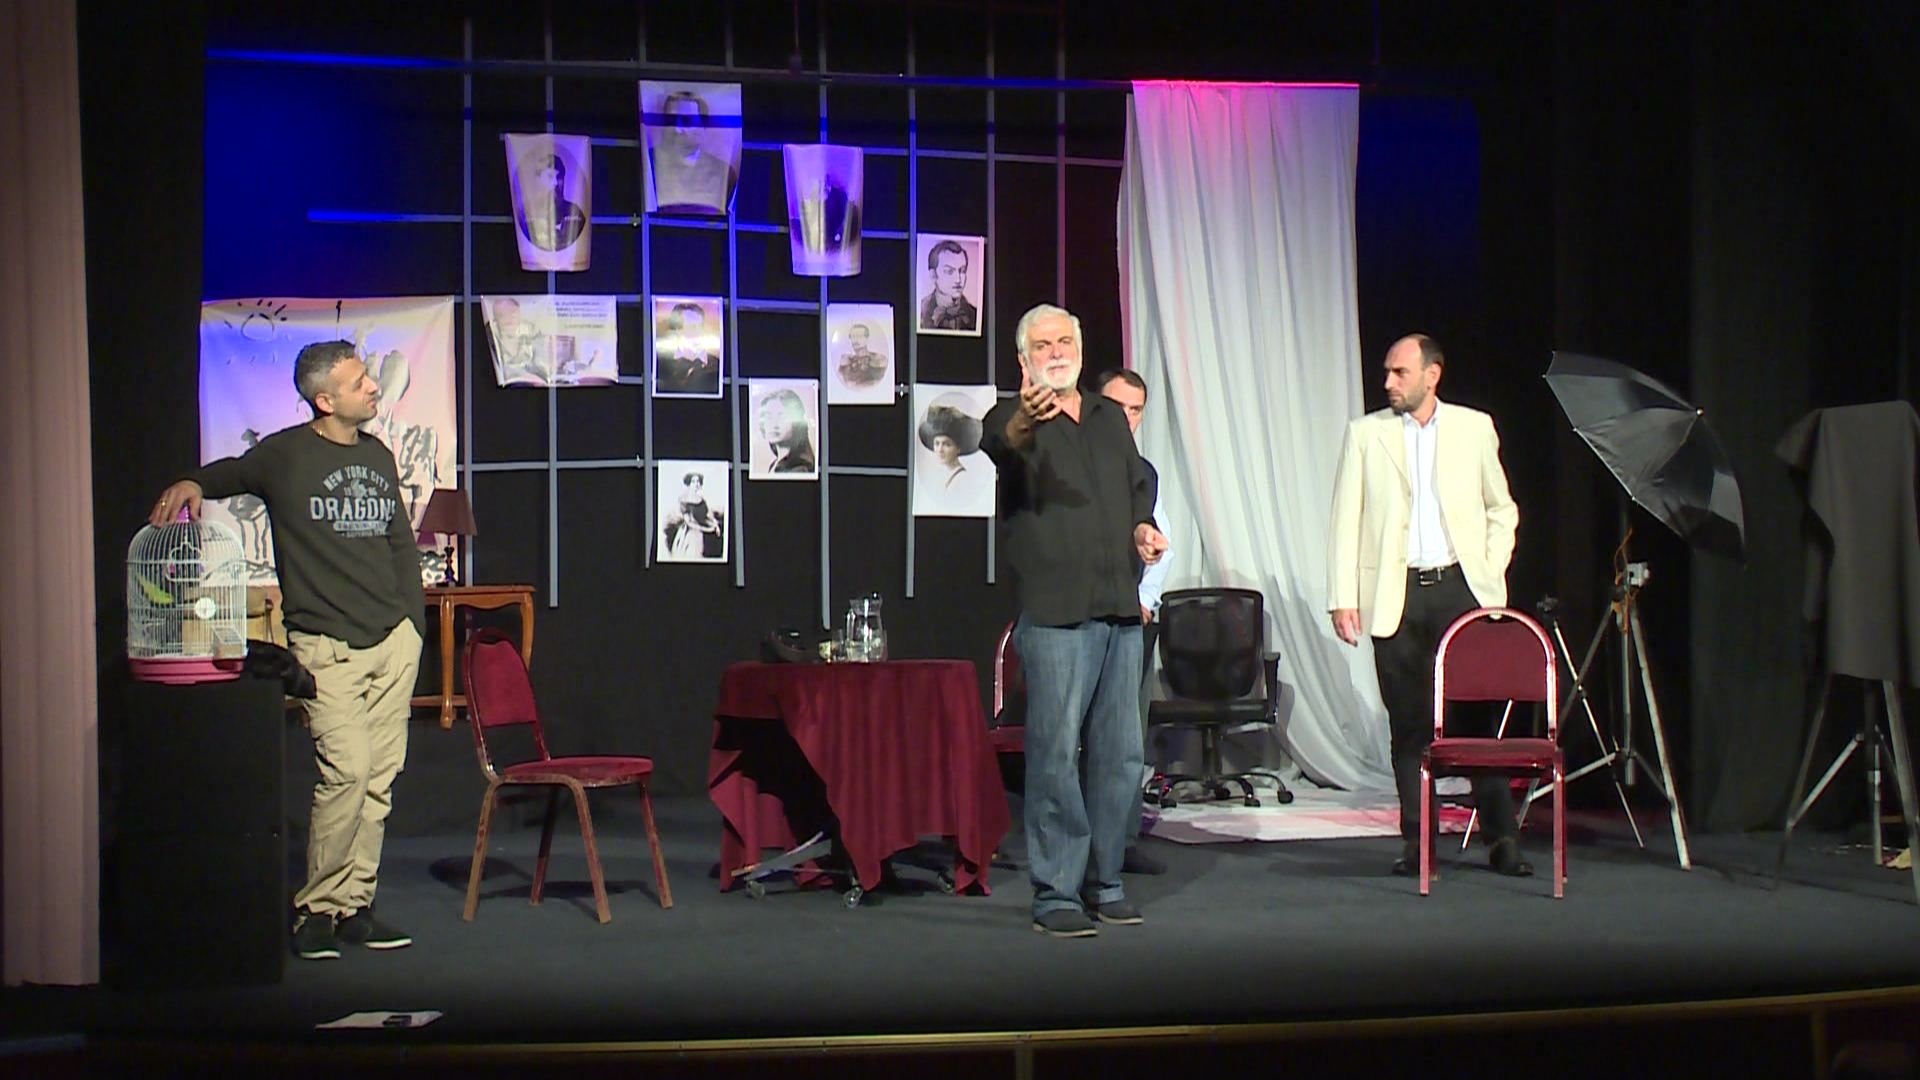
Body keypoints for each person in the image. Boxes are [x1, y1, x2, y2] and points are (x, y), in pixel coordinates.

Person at [149, 339, 425, 961]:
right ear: (325, 400)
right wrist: (191, 481)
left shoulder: (378, 456)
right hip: (327, 644)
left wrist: (413, 623)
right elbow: (230, 473)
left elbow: (399, 543)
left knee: (379, 780)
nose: (372, 387)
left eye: (368, 377)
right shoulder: (285, 455)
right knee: (347, 771)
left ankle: (356, 906)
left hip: (392, 641)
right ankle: (317, 910)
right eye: (358, 381)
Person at [981, 303, 1167, 938]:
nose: (1056, 351)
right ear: (1023, 359)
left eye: (1065, 341)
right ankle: (1056, 891)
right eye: (1043, 345)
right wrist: (1023, 417)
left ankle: (1105, 881)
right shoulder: (1014, 418)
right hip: (1058, 613)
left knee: (1120, 755)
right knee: (1057, 755)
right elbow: (1000, 444)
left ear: (1081, 350)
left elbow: (1137, 486)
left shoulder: (1109, 418)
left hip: (1119, 606)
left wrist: (1142, 529)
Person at [1325, 333, 1529, 879]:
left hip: (1460, 589)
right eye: (1387, 373)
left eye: (1400, 373)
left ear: (1431, 375)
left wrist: (1490, 572)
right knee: (1409, 725)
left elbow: (1501, 508)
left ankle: (1502, 838)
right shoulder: (1366, 434)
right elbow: (1346, 519)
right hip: (1397, 593)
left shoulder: (1473, 427)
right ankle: (1419, 844)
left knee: (1477, 722)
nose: (1389, 382)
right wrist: (1343, 597)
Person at [1097, 368, 1173, 877]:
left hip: (1132, 620)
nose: (1127, 417)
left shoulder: (1144, 472)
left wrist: (1145, 597)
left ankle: (1122, 842)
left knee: (1128, 737)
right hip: (1080, 617)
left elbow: (1162, 543)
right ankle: (1083, 846)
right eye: (1117, 406)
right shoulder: (1077, 463)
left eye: (1136, 409)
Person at [651, 90, 735, 214]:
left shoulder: (724, 172)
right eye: (670, 122)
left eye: (686, 121)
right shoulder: (651, 166)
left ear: (702, 127)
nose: (677, 129)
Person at [516, 150, 587, 253]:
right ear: (538, 180)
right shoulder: (525, 215)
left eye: (559, 177)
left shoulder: (575, 213)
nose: (555, 183)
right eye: (549, 177)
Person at [656, 302, 721, 395]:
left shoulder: (716, 366)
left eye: (700, 326)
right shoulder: (660, 367)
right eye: (692, 327)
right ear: (677, 330)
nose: (698, 333)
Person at [918, 239, 978, 332]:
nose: (958, 280)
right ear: (933, 275)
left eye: (962, 271)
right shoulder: (919, 312)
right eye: (949, 271)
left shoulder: (974, 314)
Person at [488, 297, 548, 384]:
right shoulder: (490, 342)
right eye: (502, 315)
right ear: (495, 320)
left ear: (519, 316)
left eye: (512, 313)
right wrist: (525, 376)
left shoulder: (533, 336)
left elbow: (543, 368)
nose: (508, 318)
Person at [756, 389, 816, 475]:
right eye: (769, 417)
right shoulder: (775, 464)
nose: (774, 424)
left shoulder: (800, 469)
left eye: (782, 417)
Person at [664, 472, 723, 558]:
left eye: (698, 481)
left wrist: (715, 524)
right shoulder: (683, 499)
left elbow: (707, 515)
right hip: (691, 533)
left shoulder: (701, 499)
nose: (696, 483)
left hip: (703, 530)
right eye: (693, 481)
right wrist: (708, 529)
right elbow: (689, 523)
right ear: (689, 484)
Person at [836, 323, 889, 389]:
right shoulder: (846, 362)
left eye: (859, 336)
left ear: (867, 338)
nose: (855, 340)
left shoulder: (879, 360)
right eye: (853, 336)